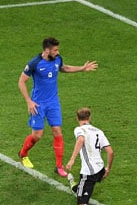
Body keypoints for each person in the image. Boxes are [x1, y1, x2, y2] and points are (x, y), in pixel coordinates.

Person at [18, 37, 98, 177]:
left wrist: (82, 68)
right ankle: (23, 153)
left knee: (57, 131)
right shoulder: (34, 63)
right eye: (55, 50)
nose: (57, 52)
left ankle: (59, 166)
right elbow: (21, 81)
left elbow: (64, 68)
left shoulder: (57, 59)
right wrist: (29, 101)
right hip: (38, 103)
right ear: (46, 50)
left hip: (53, 103)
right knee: (37, 135)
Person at [64, 108, 117, 205]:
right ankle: (74, 185)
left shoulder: (79, 129)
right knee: (84, 188)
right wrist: (108, 169)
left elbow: (81, 140)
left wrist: (72, 160)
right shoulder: (99, 131)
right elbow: (110, 152)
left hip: (89, 172)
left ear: (77, 118)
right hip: (100, 170)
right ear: (89, 118)